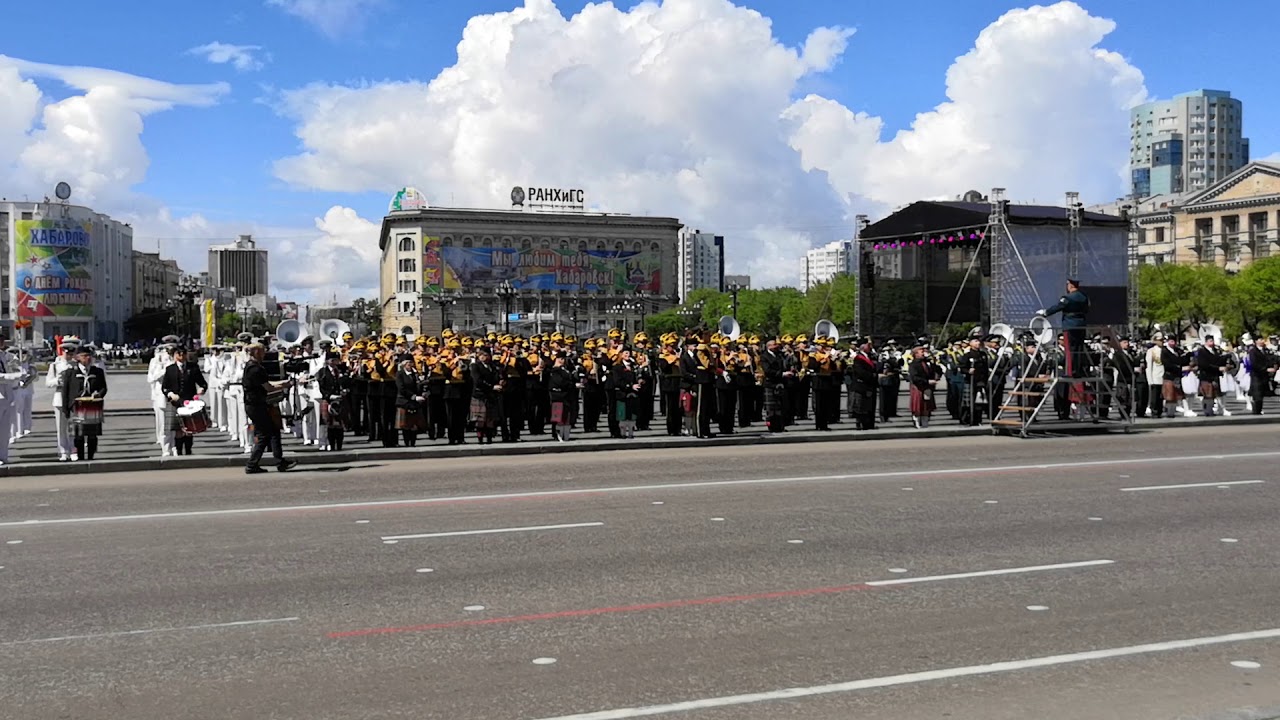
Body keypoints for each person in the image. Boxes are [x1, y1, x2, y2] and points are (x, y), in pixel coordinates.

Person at [242, 343, 298, 474]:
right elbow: (269, 387)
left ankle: (280, 462)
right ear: (255, 352)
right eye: (261, 351)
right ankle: (252, 464)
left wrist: (284, 383)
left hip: (255, 405)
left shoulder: (251, 366)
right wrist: (286, 385)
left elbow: (267, 384)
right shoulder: (255, 369)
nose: (264, 354)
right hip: (256, 405)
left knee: (273, 431)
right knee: (264, 435)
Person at [61, 345, 108, 461]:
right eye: (84, 356)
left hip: (92, 406)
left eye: (89, 356)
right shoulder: (70, 373)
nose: (87, 358)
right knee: (78, 434)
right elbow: (65, 392)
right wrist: (65, 409)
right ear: (77, 357)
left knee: (92, 434)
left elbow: (104, 388)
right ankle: (80, 457)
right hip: (76, 407)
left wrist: (99, 394)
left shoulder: (97, 371)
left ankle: (91, 456)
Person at [162, 346, 208, 456]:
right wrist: (170, 394)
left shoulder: (193, 368)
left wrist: (201, 389)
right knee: (177, 429)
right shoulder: (170, 369)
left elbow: (203, 383)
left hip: (189, 402)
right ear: (174, 355)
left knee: (189, 429)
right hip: (175, 402)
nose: (181, 356)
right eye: (179, 354)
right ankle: (178, 451)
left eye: (183, 354)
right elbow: (165, 387)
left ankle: (188, 450)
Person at [1038, 279, 1089, 379]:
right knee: (1079, 348)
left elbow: (1058, 307)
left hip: (1070, 325)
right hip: (1081, 325)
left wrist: (1046, 313)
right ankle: (1078, 371)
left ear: (1070, 286)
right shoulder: (1084, 297)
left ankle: (1071, 371)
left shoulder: (1067, 298)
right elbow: (1087, 309)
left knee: (1070, 349)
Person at [46, 339, 79, 461]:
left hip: (73, 399)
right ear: (62, 352)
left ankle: (74, 450)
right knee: (61, 427)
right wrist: (57, 381)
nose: (69, 356)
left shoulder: (76, 365)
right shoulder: (55, 365)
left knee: (73, 427)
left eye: (72, 353)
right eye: (67, 353)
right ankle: (63, 451)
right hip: (60, 398)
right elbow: (48, 382)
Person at [148, 337, 177, 456]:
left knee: (175, 423)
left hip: (175, 394)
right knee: (163, 423)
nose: (170, 351)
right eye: (168, 348)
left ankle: (174, 446)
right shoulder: (157, 361)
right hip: (161, 395)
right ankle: (165, 448)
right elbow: (151, 378)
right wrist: (165, 369)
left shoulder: (177, 359)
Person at [315, 350, 350, 451]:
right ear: (327, 361)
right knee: (329, 423)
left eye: (336, 360)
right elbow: (321, 387)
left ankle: (339, 445)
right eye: (332, 360)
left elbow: (347, 382)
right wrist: (329, 396)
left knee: (339, 424)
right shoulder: (322, 372)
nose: (334, 362)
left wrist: (345, 390)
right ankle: (330, 444)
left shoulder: (341, 370)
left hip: (341, 399)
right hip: (329, 399)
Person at [395, 357, 426, 447]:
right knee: (405, 425)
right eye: (408, 364)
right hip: (404, 401)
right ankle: (407, 442)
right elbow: (401, 389)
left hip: (414, 402)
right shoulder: (399, 374)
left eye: (411, 363)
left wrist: (423, 391)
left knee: (414, 425)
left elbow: (417, 387)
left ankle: (413, 442)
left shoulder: (414, 374)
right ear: (404, 365)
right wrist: (414, 397)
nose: (410, 365)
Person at [547, 352, 578, 442]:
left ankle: (564, 434)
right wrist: (571, 384)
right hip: (557, 395)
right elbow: (560, 382)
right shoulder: (554, 370)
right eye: (562, 359)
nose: (564, 361)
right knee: (557, 416)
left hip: (566, 395)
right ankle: (557, 434)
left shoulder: (565, 369)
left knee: (565, 415)